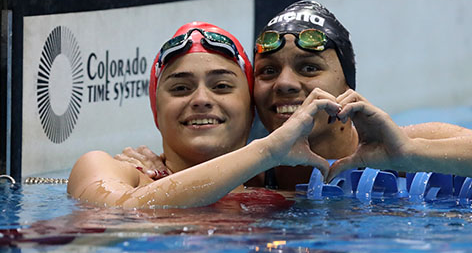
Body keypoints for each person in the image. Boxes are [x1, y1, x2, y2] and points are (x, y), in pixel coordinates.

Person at [120, 1, 472, 188]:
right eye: (268, 71)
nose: (284, 83)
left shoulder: (403, 145)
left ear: (348, 86)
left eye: (309, 68)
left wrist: (411, 153)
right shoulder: (246, 174)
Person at [68, 22, 341, 208]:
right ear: (156, 109)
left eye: (221, 86)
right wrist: (265, 152)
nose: (200, 100)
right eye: (180, 88)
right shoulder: (109, 170)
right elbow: (118, 214)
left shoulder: (282, 194)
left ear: (249, 109)